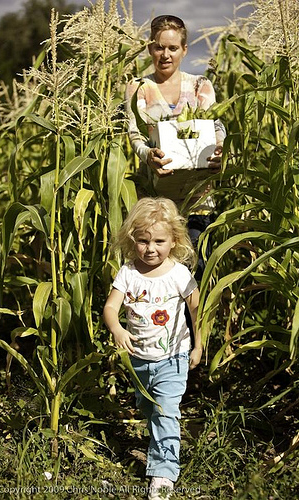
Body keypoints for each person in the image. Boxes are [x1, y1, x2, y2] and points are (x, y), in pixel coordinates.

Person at [103, 197, 202, 500]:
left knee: (165, 411)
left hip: (173, 357)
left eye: (159, 241)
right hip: (139, 360)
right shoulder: (129, 273)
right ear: (133, 240)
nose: (151, 248)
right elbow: (110, 307)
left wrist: (199, 345)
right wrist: (117, 328)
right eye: (144, 241)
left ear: (174, 241)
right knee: (148, 408)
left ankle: (163, 472)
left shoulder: (178, 274)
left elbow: (196, 309)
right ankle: (158, 445)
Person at [124, 14, 226, 279]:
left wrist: (219, 149)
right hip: (155, 201)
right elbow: (135, 135)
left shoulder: (200, 86)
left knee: (198, 272)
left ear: (184, 50)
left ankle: (197, 322)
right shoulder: (139, 88)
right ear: (150, 48)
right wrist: (149, 156)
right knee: (159, 278)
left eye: (172, 48)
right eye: (159, 47)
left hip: (198, 197)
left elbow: (216, 126)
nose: (165, 54)